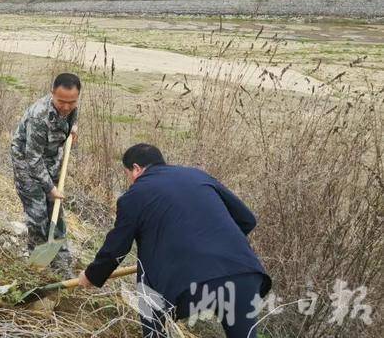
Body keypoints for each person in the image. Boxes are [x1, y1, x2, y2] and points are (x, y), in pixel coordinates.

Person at [77, 144, 271, 338]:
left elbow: (116, 249)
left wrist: (91, 276)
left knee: (148, 292)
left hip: (185, 281)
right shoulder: (198, 176)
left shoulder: (134, 195)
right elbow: (247, 219)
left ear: (136, 168)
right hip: (243, 273)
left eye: (128, 174)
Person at [10, 73, 80, 275]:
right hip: (26, 162)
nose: (66, 107)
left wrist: (72, 129)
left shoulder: (71, 107)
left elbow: (70, 118)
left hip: (51, 159)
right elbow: (32, 158)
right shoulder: (39, 116)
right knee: (38, 216)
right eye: (61, 102)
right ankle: (36, 269)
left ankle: (62, 264)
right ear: (52, 94)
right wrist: (50, 188)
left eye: (71, 102)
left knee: (56, 213)